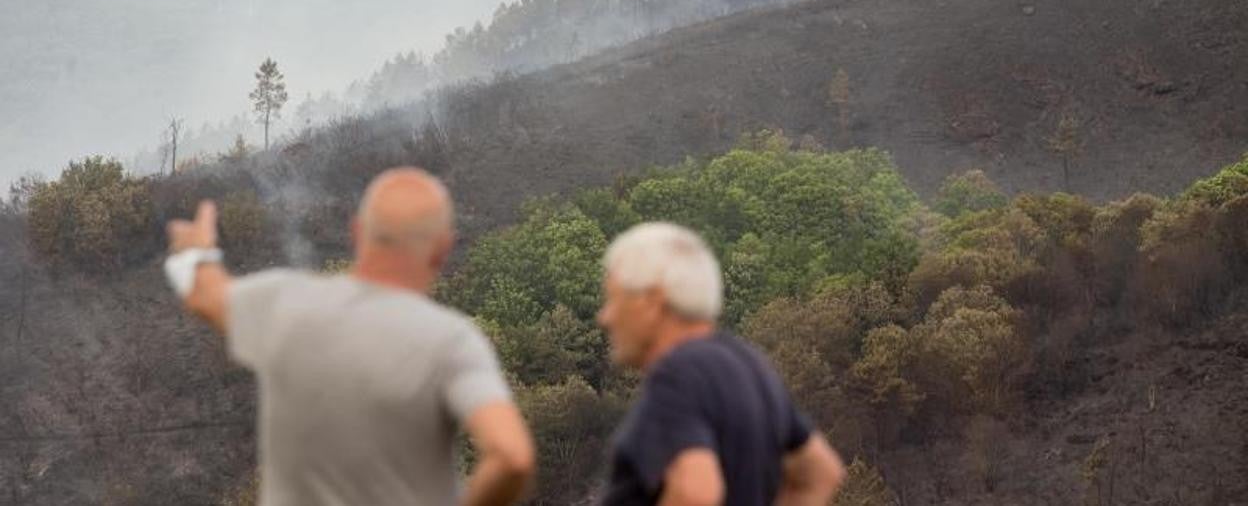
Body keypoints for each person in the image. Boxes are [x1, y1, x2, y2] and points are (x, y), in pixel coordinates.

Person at [163, 168, 535, 506]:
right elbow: (511, 456)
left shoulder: (284, 305)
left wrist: (196, 250)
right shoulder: (452, 341)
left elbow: (205, 296)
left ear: (357, 232)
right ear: (442, 249)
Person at [596, 223, 846, 506]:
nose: (605, 317)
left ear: (652, 302)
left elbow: (696, 493)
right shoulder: (751, 364)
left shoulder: (676, 375)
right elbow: (820, 474)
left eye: (613, 300)